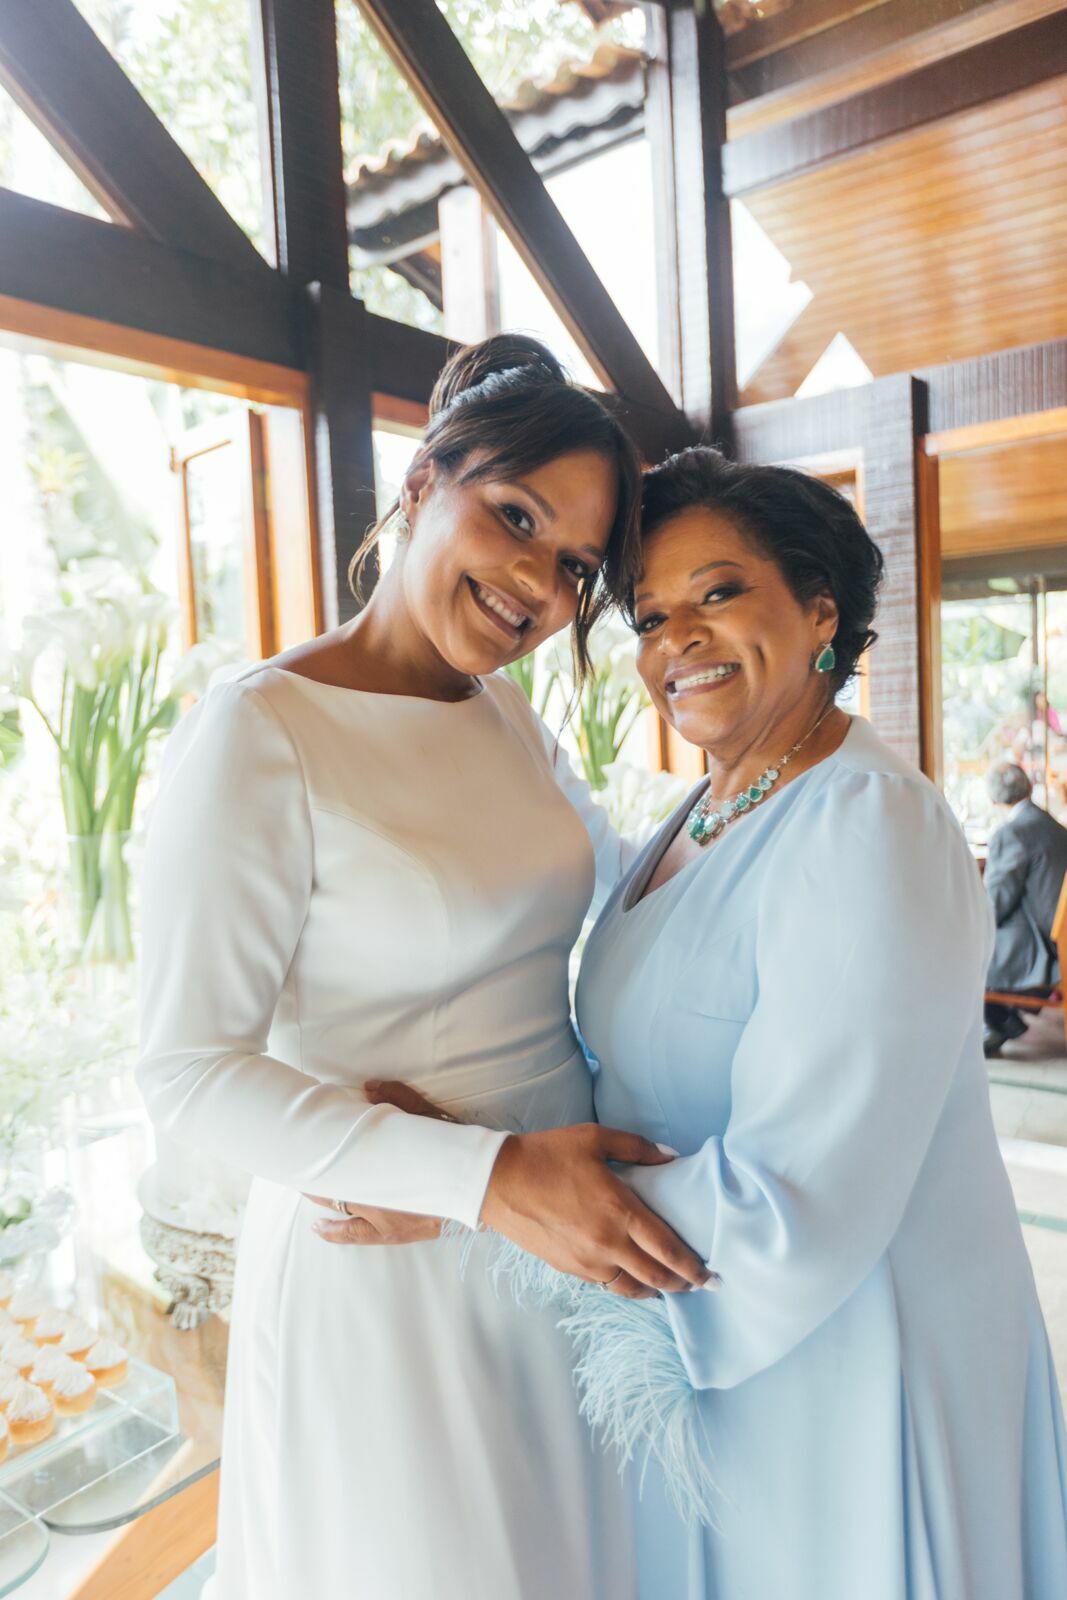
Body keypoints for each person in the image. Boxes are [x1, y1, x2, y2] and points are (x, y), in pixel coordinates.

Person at [136, 335, 709, 1600]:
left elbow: (600, 895)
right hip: (392, 1270)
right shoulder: (261, 732)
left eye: (569, 566)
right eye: (513, 516)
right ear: (419, 482)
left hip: (551, 1254)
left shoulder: (500, 709)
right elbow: (185, 1067)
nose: (534, 584)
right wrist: (478, 1175)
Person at [983, 760, 1067, 1056]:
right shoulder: (1053, 825)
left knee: (966, 947)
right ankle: (1005, 1022)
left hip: (1043, 945)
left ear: (993, 799)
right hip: (1059, 935)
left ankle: (998, 1024)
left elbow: (994, 903)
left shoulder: (1012, 833)